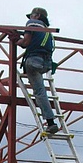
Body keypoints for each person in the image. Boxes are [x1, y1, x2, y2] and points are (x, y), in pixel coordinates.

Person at [16, 7, 59, 135]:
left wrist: (16, 41)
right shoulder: (47, 32)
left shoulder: (32, 24)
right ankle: (51, 122)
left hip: (34, 61)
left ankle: (51, 123)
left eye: (32, 15)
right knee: (41, 91)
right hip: (45, 63)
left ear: (38, 15)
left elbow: (26, 42)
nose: (30, 18)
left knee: (39, 92)